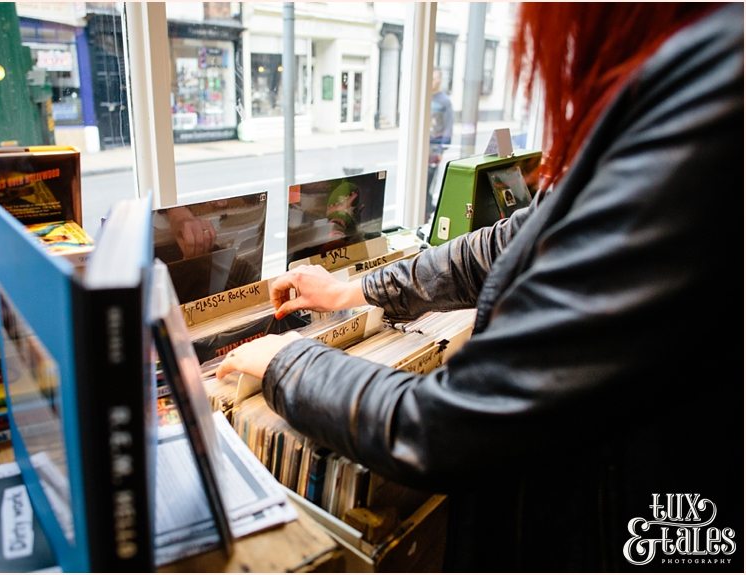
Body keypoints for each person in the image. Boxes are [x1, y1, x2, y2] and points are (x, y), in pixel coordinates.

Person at [218, 4, 742, 571]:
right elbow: (509, 241)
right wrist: (355, 291)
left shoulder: (715, 94)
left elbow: (448, 426)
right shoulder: (678, 76)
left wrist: (286, 361)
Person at [426, 68, 455, 222]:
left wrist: (442, 148)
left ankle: (426, 212)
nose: (434, 81)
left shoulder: (444, 101)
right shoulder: (424, 98)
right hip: (423, 147)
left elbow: (449, 126)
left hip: (434, 147)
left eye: (436, 78)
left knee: (430, 181)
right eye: (432, 78)